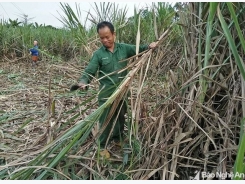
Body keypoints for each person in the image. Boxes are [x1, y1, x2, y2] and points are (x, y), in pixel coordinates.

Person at [78, 21, 157, 148]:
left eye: (107, 37)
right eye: (101, 38)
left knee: (121, 116)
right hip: (106, 94)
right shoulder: (98, 54)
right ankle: (102, 146)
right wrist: (83, 82)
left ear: (114, 34)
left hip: (122, 91)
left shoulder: (124, 48)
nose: (105, 40)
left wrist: (150, 46)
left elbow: (140, 49)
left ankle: (118, 138)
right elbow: (89, 71)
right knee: (105, 121)